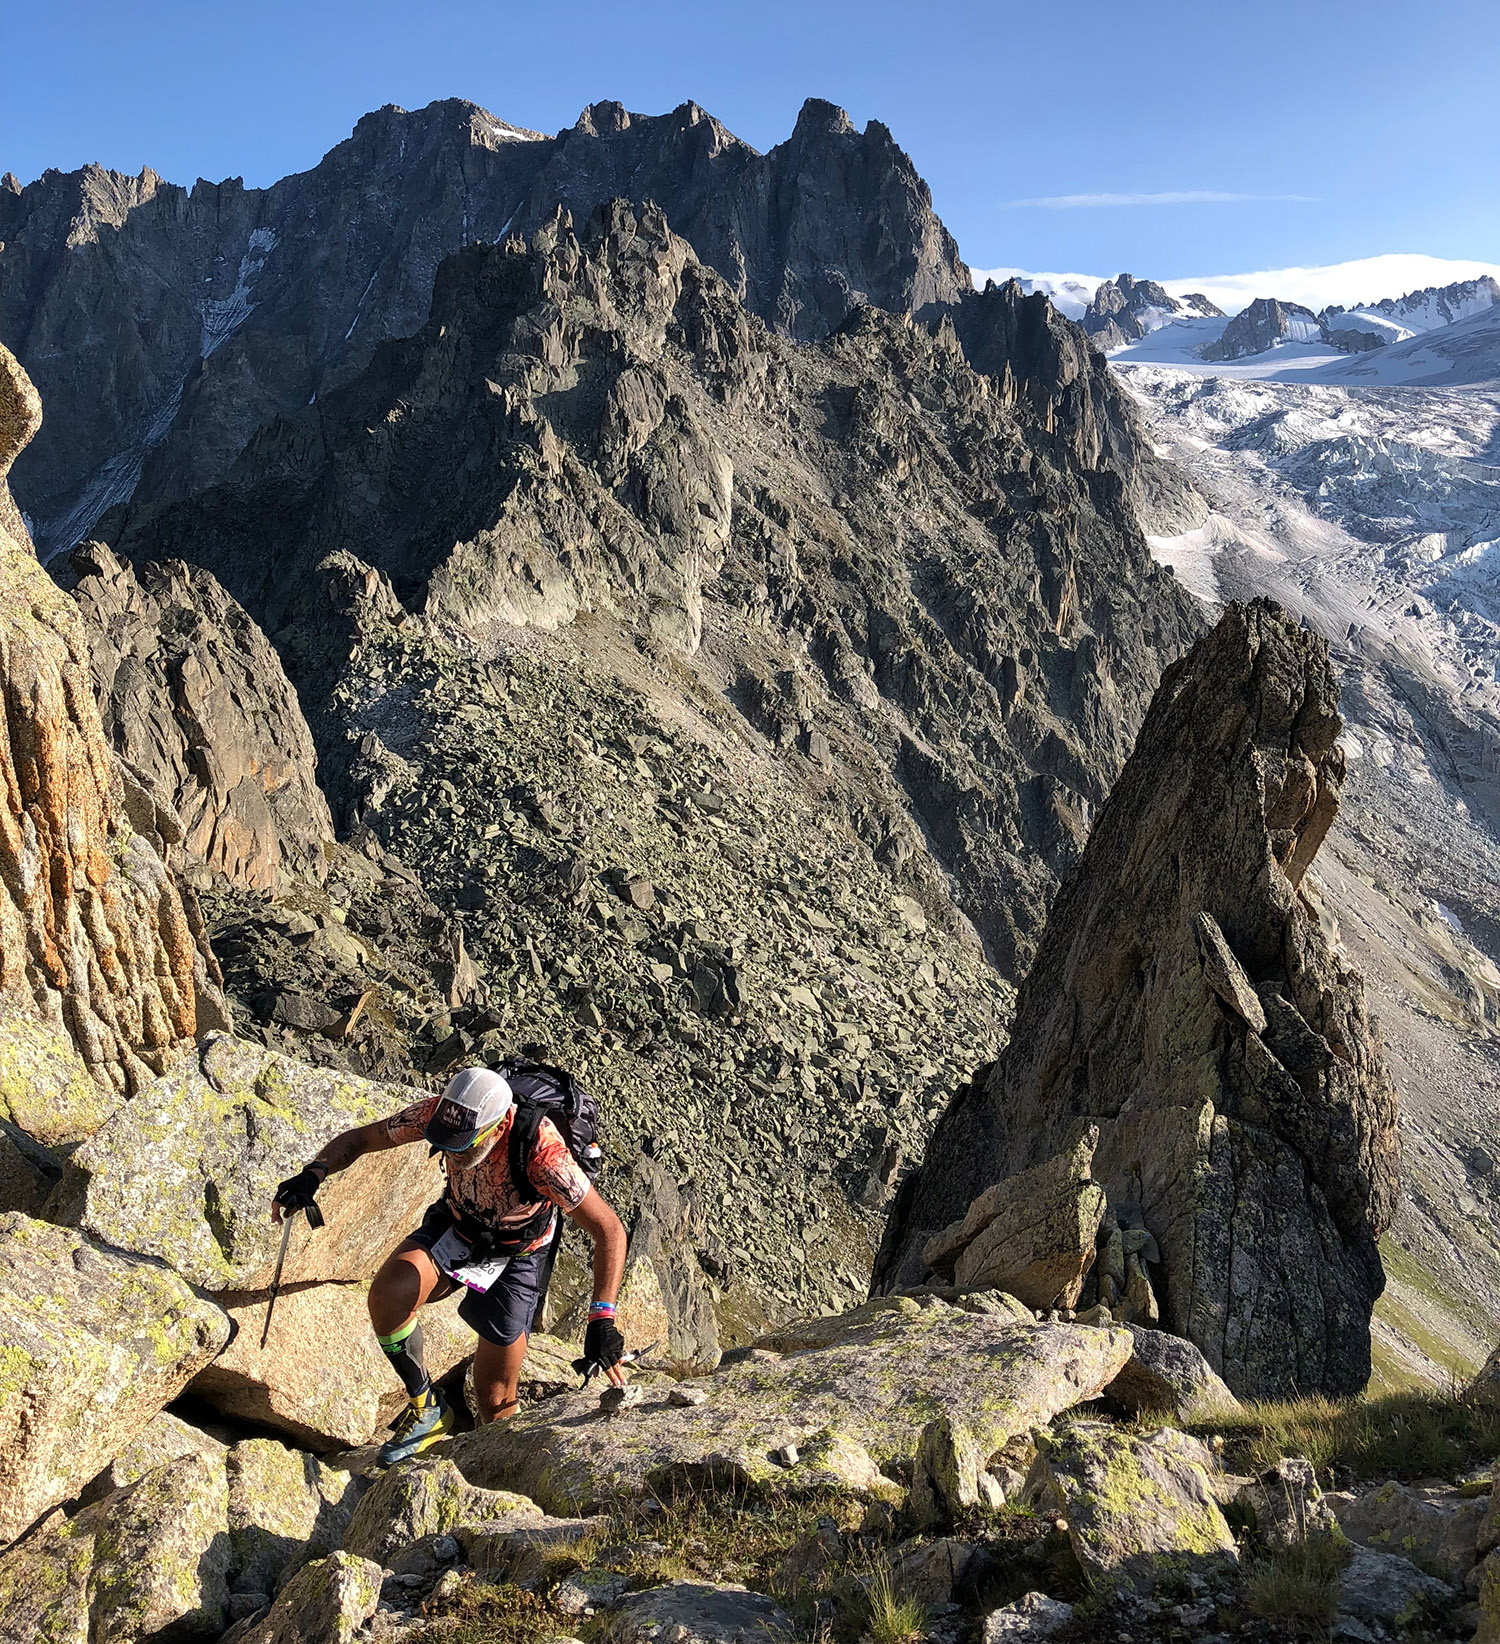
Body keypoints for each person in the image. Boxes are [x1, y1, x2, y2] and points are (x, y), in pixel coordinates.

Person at [270, 1065, 628, 1465]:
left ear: (497, 1125)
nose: (453, 1154)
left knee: (495, 1396)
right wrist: (312, 1174)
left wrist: (602, 1318)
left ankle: (496, 1473)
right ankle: (428, 1408)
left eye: (463, 1145)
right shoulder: (442, 1113)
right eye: (447, 1145)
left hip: (519, 1253)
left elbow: (609, 1230)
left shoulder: (545, 1154)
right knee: (389, 1296)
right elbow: (361, 1139)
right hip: (458, 1225)